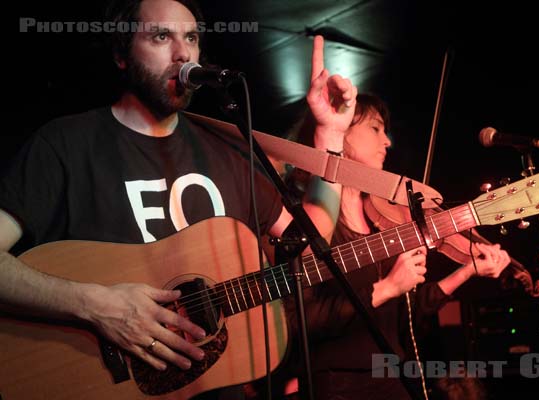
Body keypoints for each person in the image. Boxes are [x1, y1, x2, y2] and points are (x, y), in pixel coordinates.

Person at [0, 0, 357, 393]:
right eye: (160, 36)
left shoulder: (229, 150)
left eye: (190, 37)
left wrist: (330, 137)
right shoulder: (65, 145)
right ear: (121, 54)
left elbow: (310, 243)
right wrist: (95, 306)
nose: (183, 52)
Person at [280, 93, 511, 400]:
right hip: (336, 386)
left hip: (390, 378)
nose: (387, 141)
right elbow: (297, 322)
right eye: (375, 128)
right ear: (341, 133)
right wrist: (387, 287)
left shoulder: (381, 223)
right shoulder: (307, 223)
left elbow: (404, 318)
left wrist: (467, 271)